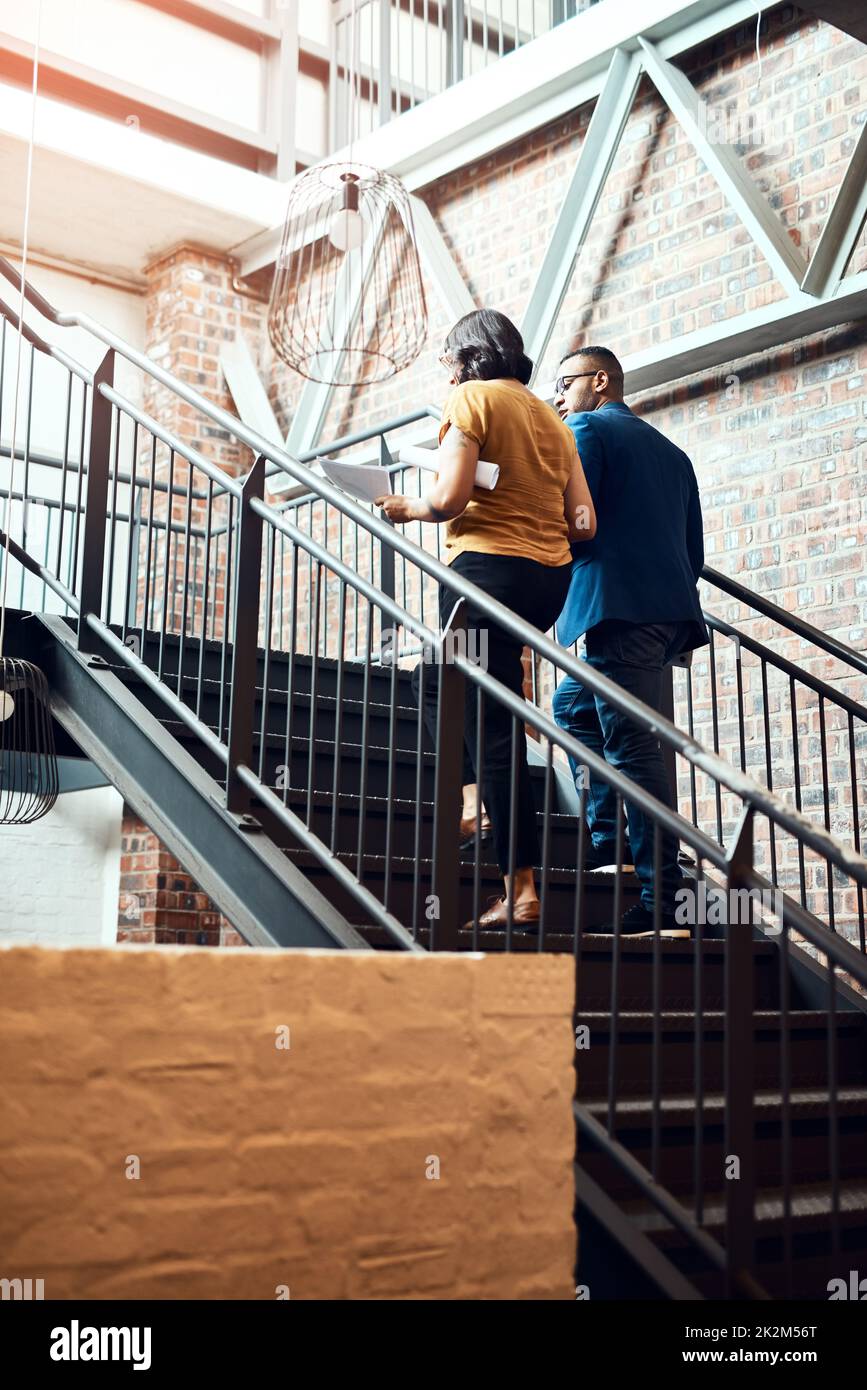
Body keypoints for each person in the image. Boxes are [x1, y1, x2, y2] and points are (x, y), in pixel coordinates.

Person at [376, 308, 596, 929]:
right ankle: (479, 808)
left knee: (486, 721)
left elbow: (447, 500)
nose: (445, 371)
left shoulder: (471, 400)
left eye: (447, 358)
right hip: (547, 582)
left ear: (468, 356)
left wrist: (403, 507)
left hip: (484, 576)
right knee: (440, 682)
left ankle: (509, 866)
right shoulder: (556, 419)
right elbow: (586, 522)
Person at [551, 344, 708, 938]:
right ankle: (610, 841)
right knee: (571, 708)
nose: (559, 399)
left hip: (617, 609)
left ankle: (663, 899)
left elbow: (578, 522)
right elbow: (694, 551)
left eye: (565, 384)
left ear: (600, 380)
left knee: (634, 750)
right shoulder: (674, 454)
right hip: (664, 611)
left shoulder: (587, 428)